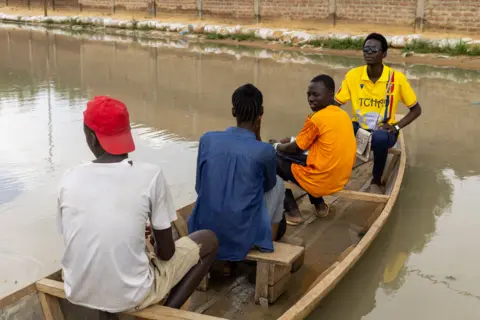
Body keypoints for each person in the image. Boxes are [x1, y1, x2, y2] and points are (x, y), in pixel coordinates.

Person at [56, 96, 218, 313]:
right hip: (132, 295)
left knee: (103, 263)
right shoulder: (150, 175)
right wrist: (155, 240)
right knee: (208, 240)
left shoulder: (68, 178)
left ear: (92, 139)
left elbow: (79, 235)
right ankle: (167, 311)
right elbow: (166, 254)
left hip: (77, 289)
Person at [188, 84, 286, 268]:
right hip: (241, 234)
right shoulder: (265, 150)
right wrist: (257, 132)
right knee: (278, 183)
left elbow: (199, 188)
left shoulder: (207, 139)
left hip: (202, 230)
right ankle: (265, 252)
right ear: (261, 112)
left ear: (233, 111)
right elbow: (267, 187)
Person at [335, 33, 422, 193]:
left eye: (374, 49)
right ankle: (337, 174)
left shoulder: (396, 79)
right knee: (339, 130)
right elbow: (336, 104)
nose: (369, 53)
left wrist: (396, 127)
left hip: (383, 131)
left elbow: (416, 110)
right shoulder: (353, 76)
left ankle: (376, 180)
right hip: (360, 128)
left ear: (384, 54)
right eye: (366, 49)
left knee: (380, 137)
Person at [271, 75, 357, 225]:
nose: (311, 98)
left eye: (316, 94)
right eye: (308, 94)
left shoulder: (316, 119)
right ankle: (320, 207)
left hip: (322, 180)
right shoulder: (343, 115)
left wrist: (276, 146)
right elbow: (313, 143)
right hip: (341, 178)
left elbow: (297, 147)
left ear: (331, 95)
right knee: (298, 155)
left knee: (272, 158)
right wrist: (291, 141)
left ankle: (292, 212)